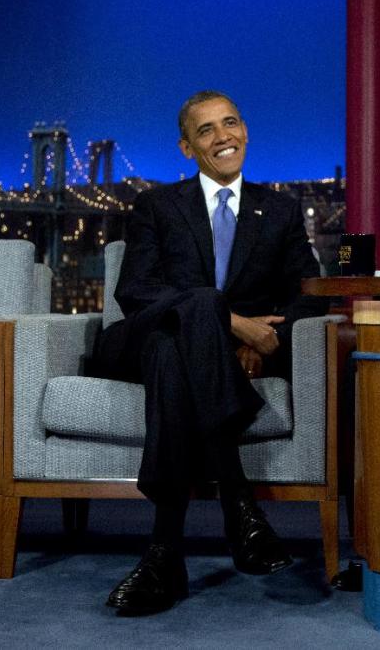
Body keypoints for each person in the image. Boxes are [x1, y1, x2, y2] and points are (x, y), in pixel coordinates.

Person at [93, 91, 326, 616]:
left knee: (173, 355)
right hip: (131, 343)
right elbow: (135, 291)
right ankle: (237, 501)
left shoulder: (282, 211)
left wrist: (261, 347)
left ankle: (163, 555)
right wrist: (234, 327)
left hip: (168, 355)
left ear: (245, 130)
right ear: (186, 148)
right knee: (197, 305)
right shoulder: (156, 205)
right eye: (207, 130)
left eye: (231, 124)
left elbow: (311, 297)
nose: (223, 137)